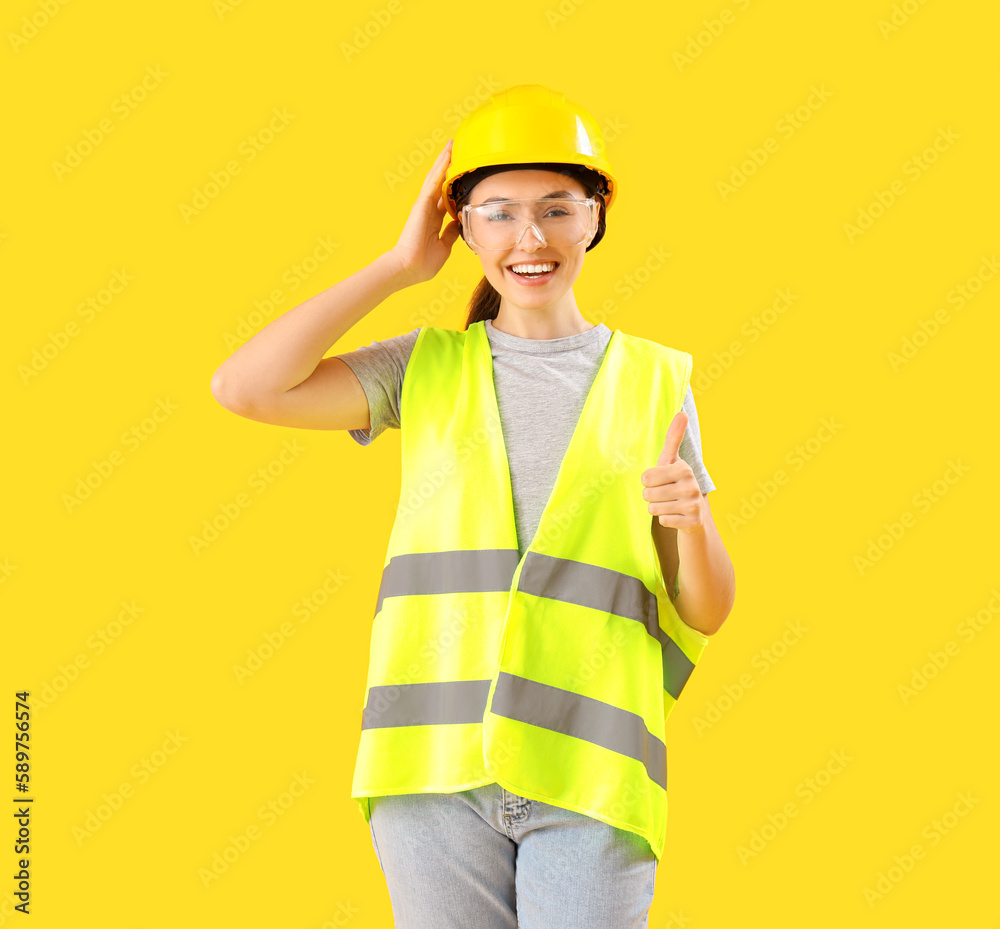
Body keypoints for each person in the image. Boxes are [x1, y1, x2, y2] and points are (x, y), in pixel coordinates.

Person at [211, 84, 735, 929]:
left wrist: (692, 519)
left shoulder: (654, 381)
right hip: (433, 771)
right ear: (461, 226)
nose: (530, 238)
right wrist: (397, 268)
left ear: (597, 215)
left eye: (557, 208)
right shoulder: (423, 368)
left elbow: (707, 607)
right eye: (498, 213)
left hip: (591, 771)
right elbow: (244, 387)